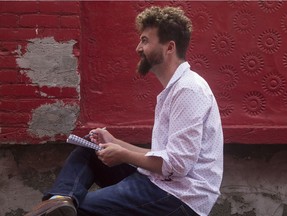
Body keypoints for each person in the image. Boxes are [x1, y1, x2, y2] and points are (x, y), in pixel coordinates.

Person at [25, 5, 223, 216]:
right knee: (90, 148)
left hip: (180, 197)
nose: (138, 47)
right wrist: (115, 144)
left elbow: (177, 165)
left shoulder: (188, 90)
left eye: (145, 40)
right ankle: (58, 201)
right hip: (162, 182)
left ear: (169, 48)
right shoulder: (175, 88)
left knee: (80, 210)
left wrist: (123, 154)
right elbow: (164, 158)